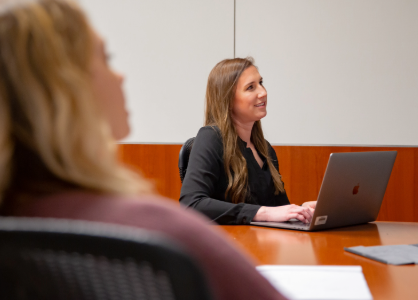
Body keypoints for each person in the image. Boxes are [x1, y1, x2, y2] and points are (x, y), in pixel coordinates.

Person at [0, 1, 288, 299]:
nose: (121, 76)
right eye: (106, 58)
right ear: (66, 91)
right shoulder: (157, 230)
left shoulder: (16, 224)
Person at [180, 58, 317, 225]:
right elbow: (191, 204)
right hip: (230, 244)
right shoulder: (211, 138)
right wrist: (261, 212)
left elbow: (277, 211)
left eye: (261, 83)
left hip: (263, 244)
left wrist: (301, 211)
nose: (263, 92)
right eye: (251, 87)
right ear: (228, 99)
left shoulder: (265, 149)